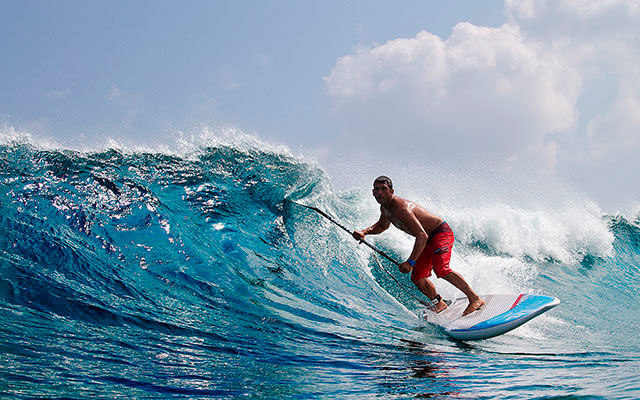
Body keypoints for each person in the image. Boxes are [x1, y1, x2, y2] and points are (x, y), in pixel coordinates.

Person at [352, 176, 484, 316]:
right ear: (372, 192)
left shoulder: (401, 209)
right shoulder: (385, 209)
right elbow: (382, 226)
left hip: (440, 233)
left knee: (442, 269)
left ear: (391, 191)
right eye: (376, 189)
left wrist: (410, 262)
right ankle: (440, 303)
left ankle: (475, 298)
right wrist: (364, 232)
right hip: (427, 238)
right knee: (417, 277)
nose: (379, 193)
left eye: (383, 189)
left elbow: (422, 235)